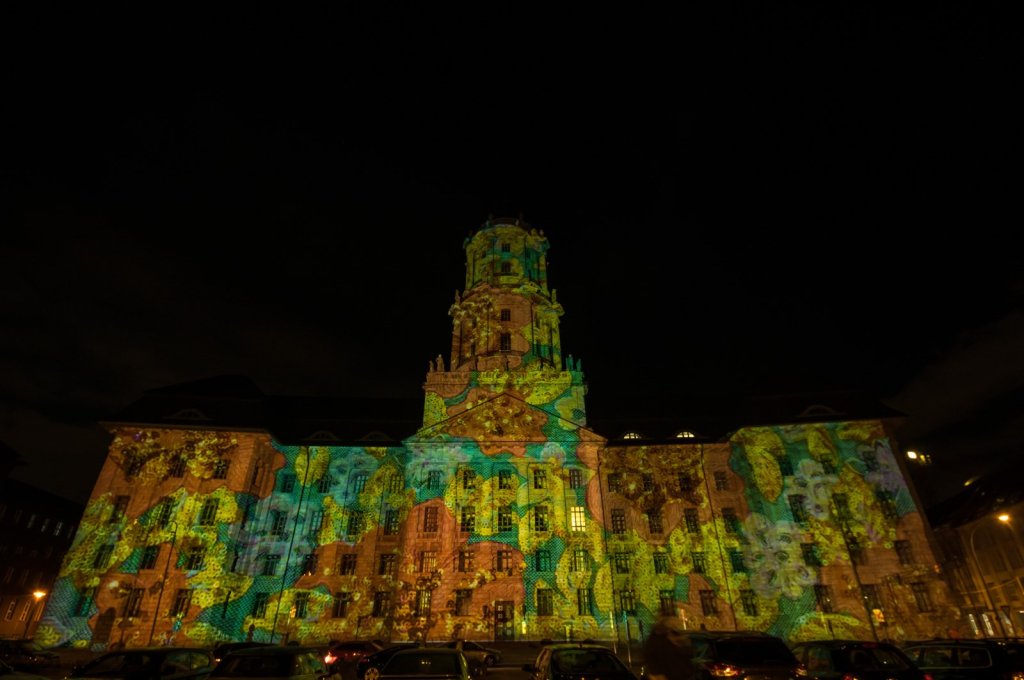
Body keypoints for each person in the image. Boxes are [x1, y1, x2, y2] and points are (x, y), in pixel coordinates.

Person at [644, 616, 695, 680]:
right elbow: (652, 660)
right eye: (673, 624)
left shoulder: (671, 637)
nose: (675, 626)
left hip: (682, 674)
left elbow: (688, 654)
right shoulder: (656, 641)